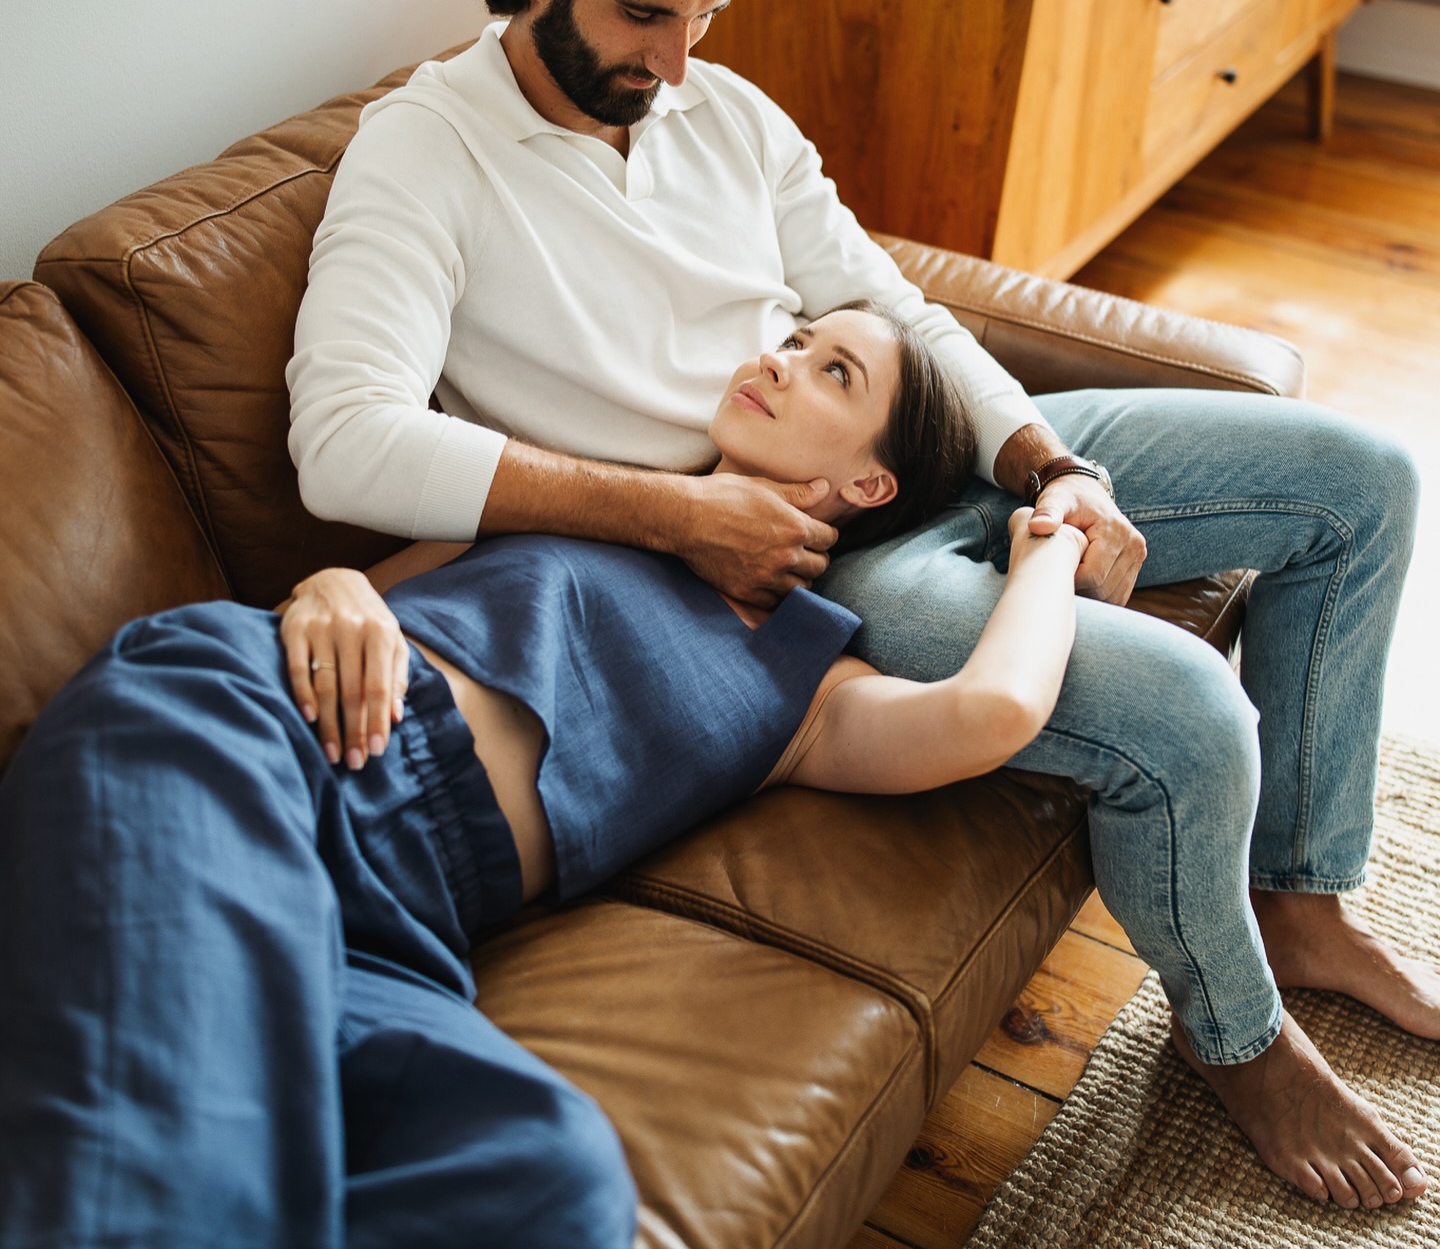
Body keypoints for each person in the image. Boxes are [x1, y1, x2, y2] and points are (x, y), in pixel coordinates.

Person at [285, 0, 1434, 1211]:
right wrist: (679, 512)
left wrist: (1048, 465)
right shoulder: (427, 153)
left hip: (904, 444)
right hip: (802, 563)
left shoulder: (725, 112)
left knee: (1366, 477)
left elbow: (893, 306)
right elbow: (345, 442)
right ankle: (1238, 1038)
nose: (682, 63)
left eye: (708, 18)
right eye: (648, 16)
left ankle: (1303, 896)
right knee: (1185, 713)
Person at [1, 306, 1078, 1248]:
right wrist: (328, 583)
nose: (783, 361)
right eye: (794, 340)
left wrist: (1051, 549)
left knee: (546, 1175)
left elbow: (993, 710)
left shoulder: (811, 687)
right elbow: (334, 598)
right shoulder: (600, 493)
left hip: (397, 926)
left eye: (834, 370)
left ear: (866, 483)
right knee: (181, 1151)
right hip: (241, 735)